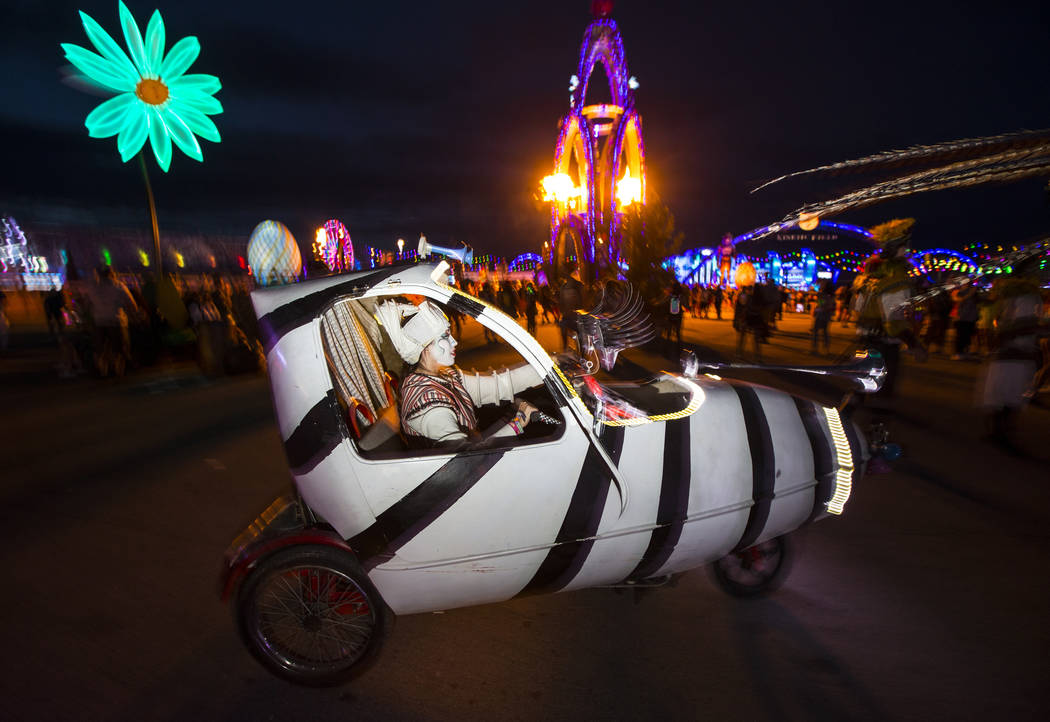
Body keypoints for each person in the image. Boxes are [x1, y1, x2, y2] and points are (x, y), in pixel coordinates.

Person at [376, 300, 543, 447]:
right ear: (425, 348)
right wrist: (518, 423)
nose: (454, 341)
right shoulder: (429, 405)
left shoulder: (444, 375)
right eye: (446, 336)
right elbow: (466, 459)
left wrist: (547, 368)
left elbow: (498, 385)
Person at [978, 258, 1048, 449]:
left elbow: (1004, 325)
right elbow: (1018, 326)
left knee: (1001, 395)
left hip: (1008, 353)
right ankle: (1001, 435)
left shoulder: (1009, 296)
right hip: (1015, 353)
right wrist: (1040, 330)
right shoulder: (1027, 298)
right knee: (1009, 396)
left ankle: (997, 433)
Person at [558, 262, 585, 350]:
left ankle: (580, 349)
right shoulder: (564, 287)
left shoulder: (577, 285)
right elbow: (561, 303)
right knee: (562, 326)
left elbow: (583, 302)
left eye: (564, 271)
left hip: (577, 317)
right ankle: (566, 347)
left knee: (579, 333)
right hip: (568, 316)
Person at [951, 278, 979, 360]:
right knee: (961, 336)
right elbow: (957, 299)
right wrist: (970, 294)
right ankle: (959, 352)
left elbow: (977, 301)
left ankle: (965, 351)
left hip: (970, 317)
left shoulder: (973, 292)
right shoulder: (960, 292)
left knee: (967, 335)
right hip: (962, 317)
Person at [811, 280, 835, 356]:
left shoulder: (821, 294)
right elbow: (831, 306)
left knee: (815, 332)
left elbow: (821, 304)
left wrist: (816, 310)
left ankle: (815, 349)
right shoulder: (831, 295)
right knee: (825, 332)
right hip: (827, 315)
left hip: (821, 314)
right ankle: (827, 349)